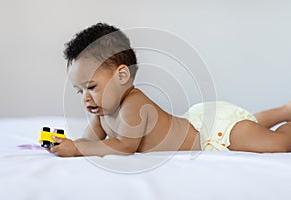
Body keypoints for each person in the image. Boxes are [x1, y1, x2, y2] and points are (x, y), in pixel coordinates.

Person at [48, 23, 291, 157]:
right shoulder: (100, 112)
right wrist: (66, 144)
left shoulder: (134, 104)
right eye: (80, 92)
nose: (86, 98)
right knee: (248, 127)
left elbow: (124, 147)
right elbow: (88, 143)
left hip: (211, 133)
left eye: (91, 87)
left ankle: (286, 117)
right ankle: (283, 110)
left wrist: (77, 149)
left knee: (277, 144)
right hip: (196, 121)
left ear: (122, 75)